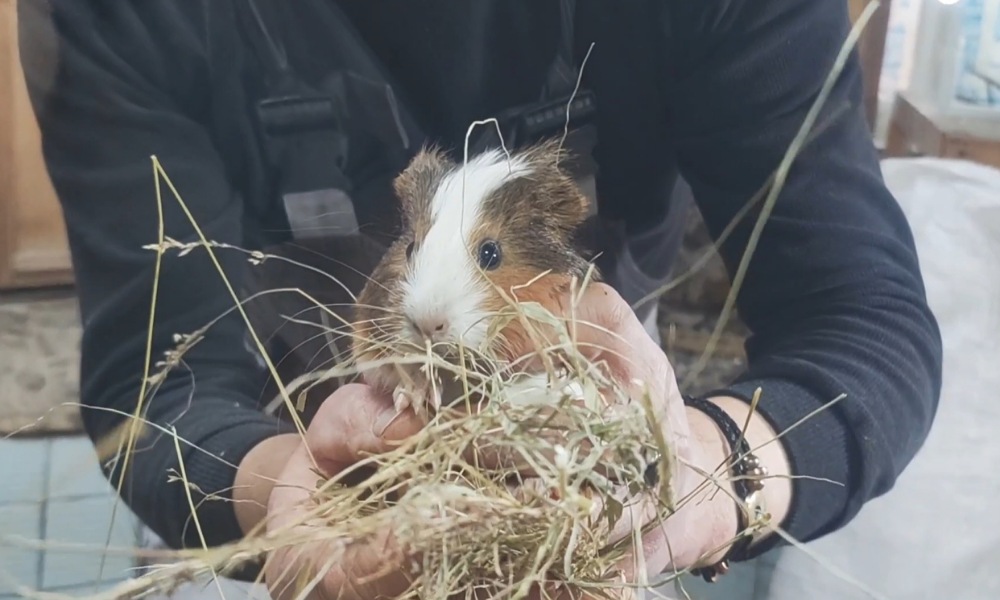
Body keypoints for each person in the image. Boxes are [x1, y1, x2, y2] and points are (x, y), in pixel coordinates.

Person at [16, 0, 942, 599]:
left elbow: (864, 318)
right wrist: (287, 492)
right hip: (300, 453)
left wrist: (697, 475)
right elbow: (153, 387)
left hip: (604, 448)